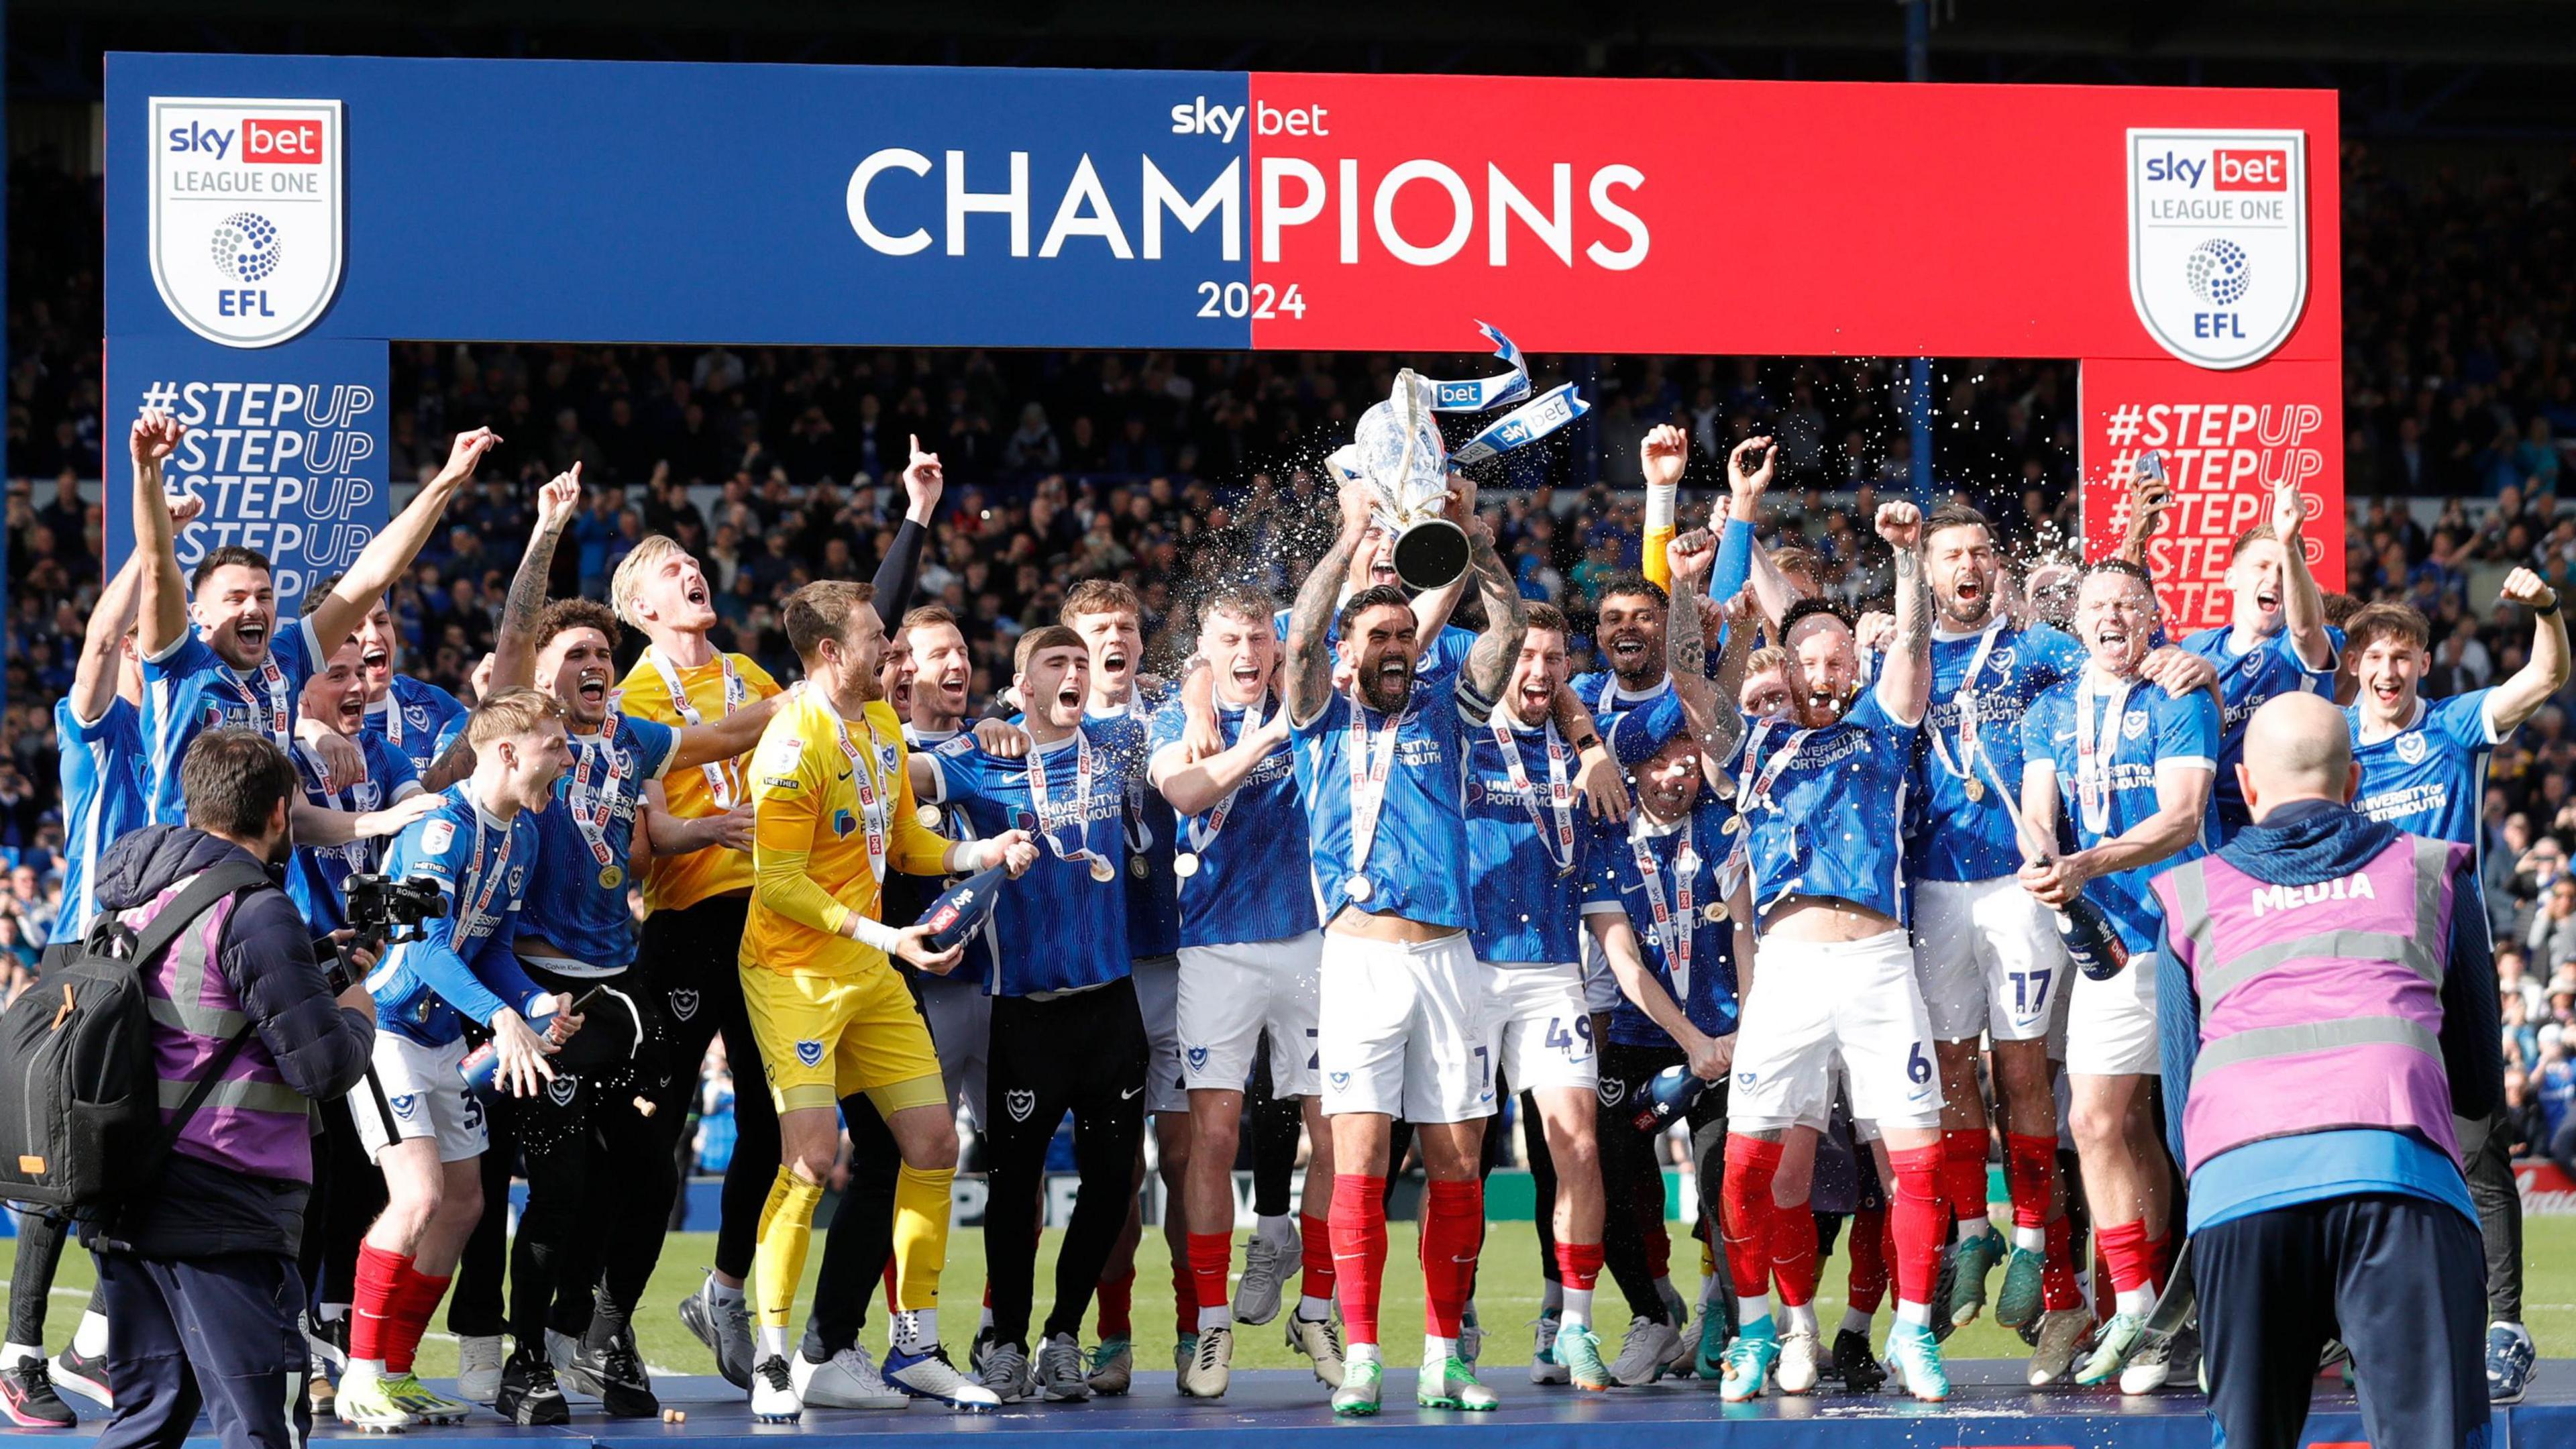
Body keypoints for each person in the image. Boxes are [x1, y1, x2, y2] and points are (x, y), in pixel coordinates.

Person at [2152, 693, 2502, 1449]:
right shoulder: (2433, 871)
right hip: (2399, 1176)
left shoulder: (2190, 893)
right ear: (2354, 786)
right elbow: (2479, 1080)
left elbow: (2183, 1113)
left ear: (2245, 786)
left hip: (2239, 1188)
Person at [739, 579, 1030, 1419]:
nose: (894, 656)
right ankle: (772, 1360)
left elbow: (905, 846)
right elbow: (780, 882)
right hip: (794, 974)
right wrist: (887, 940)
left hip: (867, 966)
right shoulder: (793, 744)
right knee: (809, 1159)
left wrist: (981, 855)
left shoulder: (879, 728)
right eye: (879, 641)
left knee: (934, 1143)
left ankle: (914, 1348)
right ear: (832, 653)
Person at [1285, 470, 1525, 1416]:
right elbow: (1300, 637)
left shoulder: (1444, 708)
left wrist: (1475, 542)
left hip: (1447, 963)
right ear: (1351, 653)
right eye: (1377, 638)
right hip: (1355, 963)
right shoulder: (1317, 717)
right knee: (1359, 1162)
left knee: (1458, 1161)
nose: (1393, 650)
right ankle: (1361, 1357)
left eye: (1402, 637)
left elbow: (1505, 635)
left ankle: (1443, 1359)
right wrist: (1350, 540)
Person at [1707, 500, 1952, 1405]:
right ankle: (1768, 1330)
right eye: (1805, 657)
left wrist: (1908, 559)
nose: (1821, 669)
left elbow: (1916, 647)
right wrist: (1735, 544)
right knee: (1748, 1165)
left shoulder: (1888, 725)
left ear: (1855, 667)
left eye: (1835, 657)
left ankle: (1916, 1337)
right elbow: (1706, 695)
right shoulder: (1759, 737)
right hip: (1792, 970)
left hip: (1882, 966)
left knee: (1918, 1157)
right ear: (1789, 666)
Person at [81, 731, 377, 1449]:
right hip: (225, 1197)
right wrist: (360, 1010)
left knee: (148, 1421)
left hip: (129, 1182)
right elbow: (324, 1069)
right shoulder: (256, 906)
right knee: (262, 1426)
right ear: (281, 813)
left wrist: (311, 969)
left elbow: (201, 1005)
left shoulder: (137, 893)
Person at [2341, 568, 2571, 1404]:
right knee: (2369, 1149)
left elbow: (2545, 678)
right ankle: (2370, 1320)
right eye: (2375, 655)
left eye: (2404, 656)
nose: (2389, 670)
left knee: (2477, 1146)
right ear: (2356, 665)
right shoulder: (2328, 739)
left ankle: (2503, 1327)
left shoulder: (2451, 726)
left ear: (2425, 664)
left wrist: (2545, 608)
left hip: (2454, 957)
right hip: (2362, 972)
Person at [3, 457, 199, 1430]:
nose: (140, 654)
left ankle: (92, 1350)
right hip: (80, 968)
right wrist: (148, 544)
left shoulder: (179, 748)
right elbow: (91, 640)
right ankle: (20, 1357)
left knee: (124, 1163)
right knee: (54, 1173)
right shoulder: (95, 733)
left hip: (138, 973)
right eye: (134, 645)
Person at [916, 626, 1152, 1403]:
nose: (1074, 671)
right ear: (1021, 685)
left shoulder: (1118, 748)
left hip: (1110, 1007)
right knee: (1013, 1187)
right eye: (1056, 662)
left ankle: (1062, 1336)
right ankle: (1008, 1341)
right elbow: (900, 775)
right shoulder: (982, 756)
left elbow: (1187, 711)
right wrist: (979, 719)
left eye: (1080, 662)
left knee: (1114, 1180)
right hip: (1024, 1011)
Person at [336, 688, 582, 1431]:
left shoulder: (524, 836)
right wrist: (502, 1019)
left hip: (444, 1040)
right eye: (555, 747)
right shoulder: (440, 831)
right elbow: (427, 947)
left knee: (468, 1204)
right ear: (506, 752)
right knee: (417, 1199)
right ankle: (360, 1373)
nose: (566, 761)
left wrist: (536, 1006)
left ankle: (400, 1372)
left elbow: (495, 947)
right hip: (392, 1035)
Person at [2018, 560, 2220, 1393]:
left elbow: (2184, 818)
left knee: (2188, 1137)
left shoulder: (2180, 695)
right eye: (2098, 604)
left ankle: (2208, 1307)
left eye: (2128, 604)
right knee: (2100, 1124)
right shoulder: (2048, 710)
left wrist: (2088, 858)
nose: (2112, 617)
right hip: (2106, 940)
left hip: (2184, 932)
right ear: (2078, 622)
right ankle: (2137, 1306)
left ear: (2153, 616)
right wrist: (2041, 858)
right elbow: (2038, 808)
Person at [1147, 590, 1342, 1395]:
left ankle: (1320, 1308)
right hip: (1215, 951)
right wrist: (1268, 735)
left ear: (1276, 643)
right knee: (1213, 1139)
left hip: (1308, 942)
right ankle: (1213, 1327)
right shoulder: (1178, 717)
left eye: (1258, 636)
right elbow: (1185, 794)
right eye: (1227, 638)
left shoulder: (1314, 701)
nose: (1245, 650)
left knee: (1337, 1136)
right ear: (1205, 645)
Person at [133, 416, 501, 826]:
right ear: (199, 615)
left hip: (260, 877)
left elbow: (373, 573)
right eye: (236, 599)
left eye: (264, 596)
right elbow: (157, 568)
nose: (254, 608)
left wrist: (447, 478)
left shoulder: (285, 659)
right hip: (186, 874)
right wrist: (148, 469)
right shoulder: (180, 667)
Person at [613, 531, 783, 1387]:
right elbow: (651, 837)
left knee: (775, 1116)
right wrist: (709, 828)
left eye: (694, 564)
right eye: (669, 571)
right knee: (655, 1129)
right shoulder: (631, 693)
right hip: (686, 926)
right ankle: (610, 1315)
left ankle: (723, 1289)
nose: (692, 572)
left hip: (772, 919)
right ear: (642, 609)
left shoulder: (751, 673)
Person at [2179, 482, 2339, 845]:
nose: (2274, 579)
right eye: (2263, 566)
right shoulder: (2196, 647)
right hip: (2210, 832)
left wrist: (2289, 543)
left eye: (2285, 571)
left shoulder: (2296, 648)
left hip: (2289, 832)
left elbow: (2306, 628)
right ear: (2231, 577)